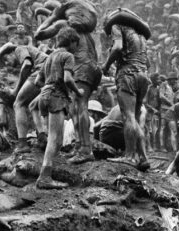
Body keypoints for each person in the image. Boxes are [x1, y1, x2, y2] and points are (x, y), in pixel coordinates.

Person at [34, 0, 101, 164]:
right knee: (76, 107)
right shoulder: (86, 33)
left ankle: (85, 149)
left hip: (81, 67)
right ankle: (79, 146)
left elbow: (39, 35)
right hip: (91, 68)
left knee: (80, 106)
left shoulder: (63, 25)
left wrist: (52, 17)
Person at [35, 27, 83, 189]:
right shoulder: (68, 56)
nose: (77, 47)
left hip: (44, 95)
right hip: (57, 97)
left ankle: (49, 169)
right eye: (77, 44)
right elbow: (68, 79)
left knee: (57, 138)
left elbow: (37, 82)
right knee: (54, 138)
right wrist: (78, 91)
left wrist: (49, 86)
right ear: (72, 42)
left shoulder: (50, 57)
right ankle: (44, 176)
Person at [102, 14, 151, 170]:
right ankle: (143, 157)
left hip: (128, 75)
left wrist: (106, 65)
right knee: (135, 118)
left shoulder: (117, 27)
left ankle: (129, 156)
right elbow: (147, 62)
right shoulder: (141, 35)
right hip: (143, 76)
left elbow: (117, 48)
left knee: (128, 116)